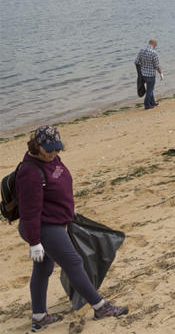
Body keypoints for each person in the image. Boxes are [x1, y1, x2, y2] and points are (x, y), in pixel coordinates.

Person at [16, 126, 128, 331]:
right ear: (36, 146)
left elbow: (59, 186)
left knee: (43, 269)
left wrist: (69, 210)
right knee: (74, 263)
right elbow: (29, 211)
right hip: (43, 227)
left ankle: (39, 318)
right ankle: (100, 307)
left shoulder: (52, 160)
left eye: (57, 149)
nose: (53, 153)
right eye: (49, 150)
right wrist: (34, 242)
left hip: (56, 221)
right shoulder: (30, 172)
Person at [134, 39, 163, 110]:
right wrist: (161, 73)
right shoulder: (154, 53)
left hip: (143, 74)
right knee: (149, 90)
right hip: (150, 75)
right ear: (154, 44)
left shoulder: (141, 50)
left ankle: (152, 102)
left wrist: (141, 71)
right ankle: (147, 105)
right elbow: (156, 66)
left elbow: (136, 62)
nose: (156, 45)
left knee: (150, 89)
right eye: (156, 44)